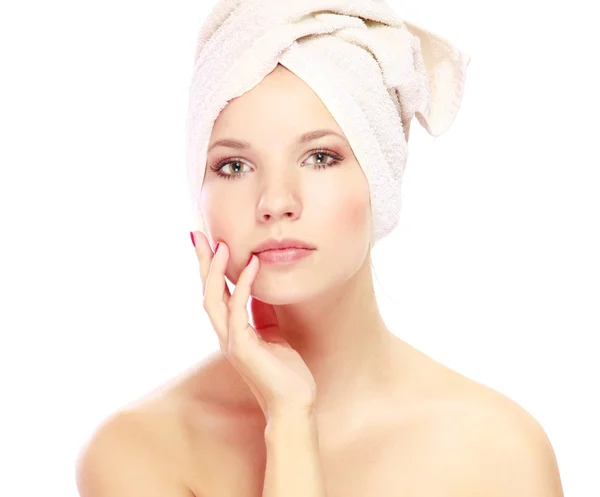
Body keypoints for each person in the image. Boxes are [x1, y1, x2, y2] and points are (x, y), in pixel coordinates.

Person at [75, 62, 564, 497]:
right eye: (234, 166)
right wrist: (289, 424)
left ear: (381, 174)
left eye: (320, 158)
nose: (275, 202)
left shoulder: (501, 451)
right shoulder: (137, 449)